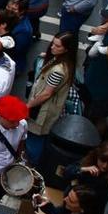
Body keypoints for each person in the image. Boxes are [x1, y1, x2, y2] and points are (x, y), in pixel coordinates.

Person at [26, 32, 78, 163]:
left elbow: (46, 93)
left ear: (66, 49)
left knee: (35, 137)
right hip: (48, 107)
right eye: (53, 43)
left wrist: (28, 105)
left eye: (57, 46)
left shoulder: (57, 70)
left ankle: (32, 163)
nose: (52, 47)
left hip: (42, 110)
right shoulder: (66, 63)